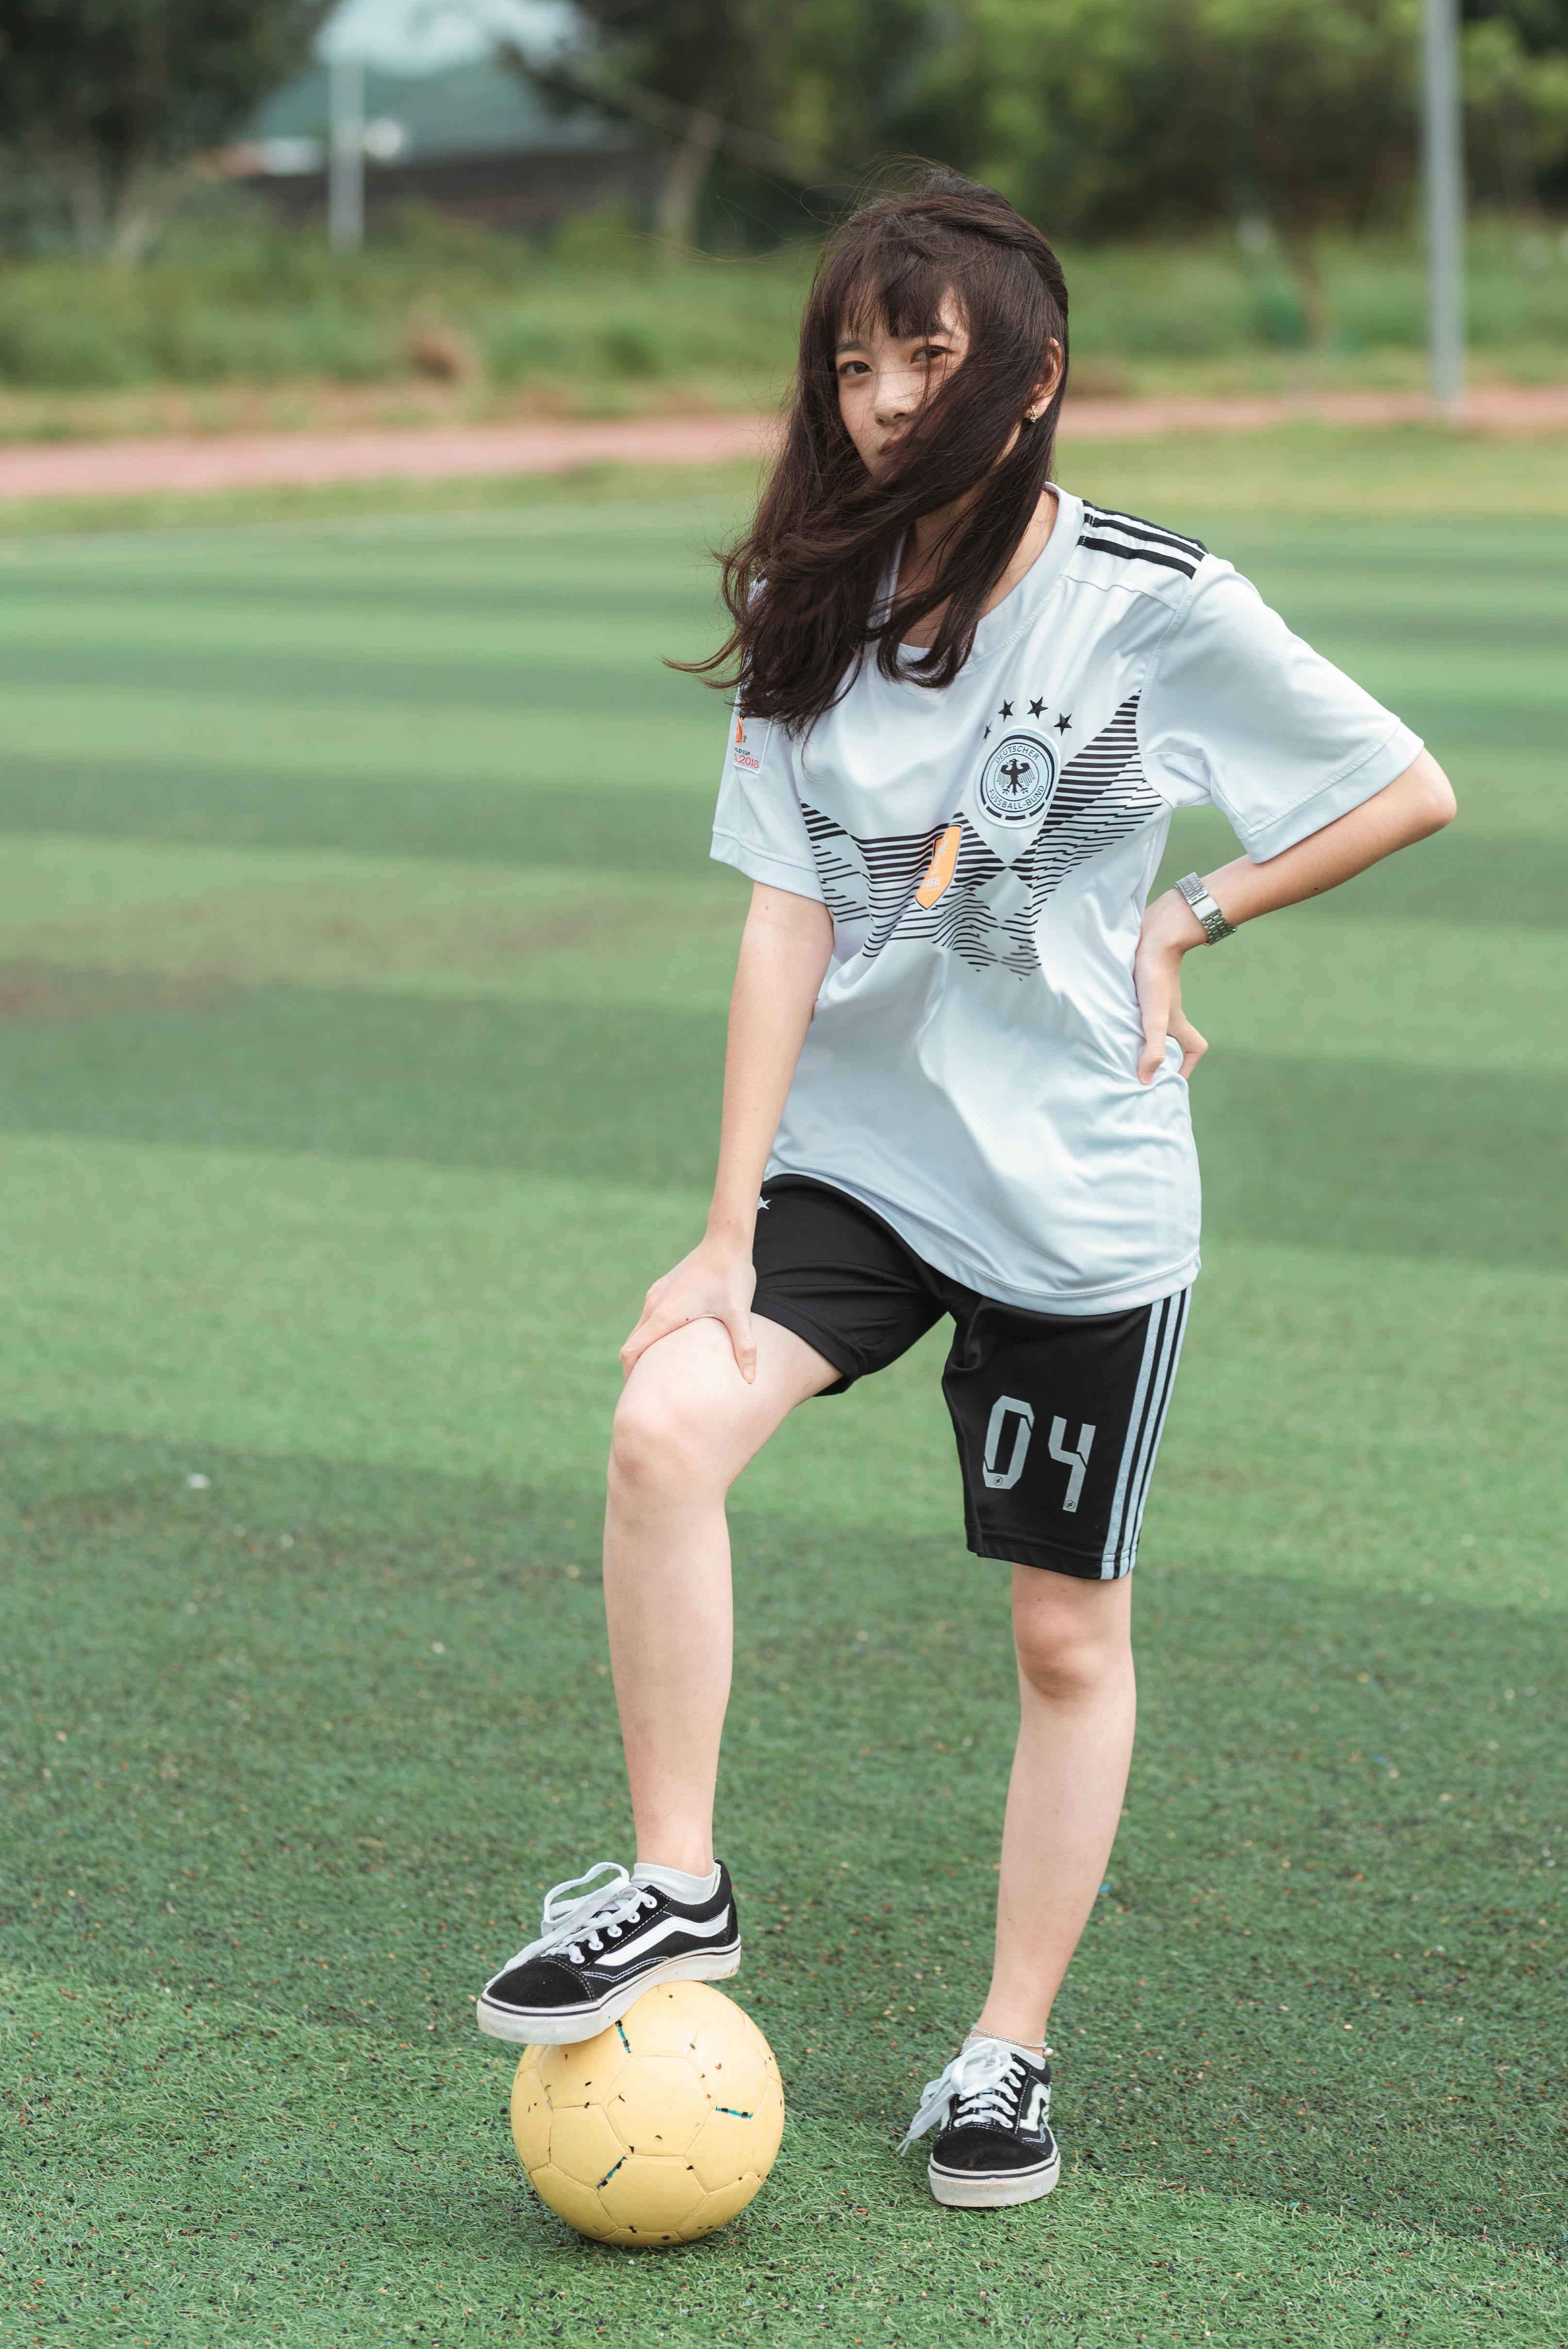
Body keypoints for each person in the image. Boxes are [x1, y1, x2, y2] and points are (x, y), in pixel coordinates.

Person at [475, 171, 1455, 2209]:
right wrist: (727, 1219)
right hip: (859, 1158)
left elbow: (1401, 783)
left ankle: (1004, 2048)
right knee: (663, 1426)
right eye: (855, 359)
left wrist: (1190, 914)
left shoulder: (1154, 596)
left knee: (1063, 1639)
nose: (886, 397)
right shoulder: (804, 605)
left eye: (930, 357)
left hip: (1080, 1196)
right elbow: (776, 931)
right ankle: (675, 1880)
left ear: (1032, 381)